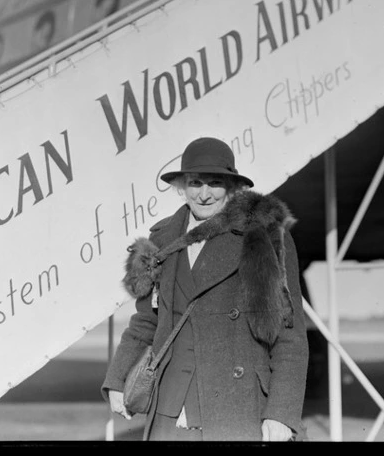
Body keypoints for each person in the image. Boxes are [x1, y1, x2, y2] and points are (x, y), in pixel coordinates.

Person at [101, 137, 309, 441]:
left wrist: (280, 413)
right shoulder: (162, 240)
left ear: (233, 187)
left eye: (215, 183)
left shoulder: (263, 237)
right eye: (196, 183)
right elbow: (146, 321)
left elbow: (289, 334)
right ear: (182, 187)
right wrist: (118, 379)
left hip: (237, 408)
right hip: (169, 409)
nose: (204, 194)